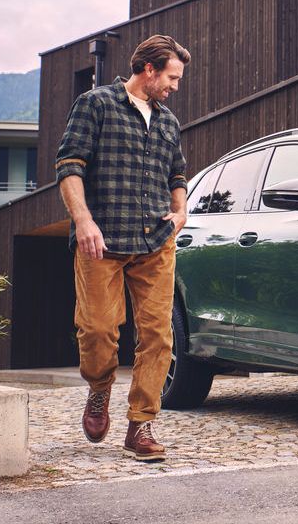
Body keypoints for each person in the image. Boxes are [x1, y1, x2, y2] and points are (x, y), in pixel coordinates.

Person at [54, 34, 191, 462]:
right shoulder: (96, 104)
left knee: (158, 336)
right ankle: (99, 390)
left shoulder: (168, 121)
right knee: (98, 329)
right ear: (148, 69)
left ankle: (141, 424)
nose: (174, 86)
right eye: (172, 76)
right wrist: (84, 221)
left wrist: (180, 211)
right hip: (103, 240)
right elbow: (69, 165)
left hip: (154, 241)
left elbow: (178, 174)